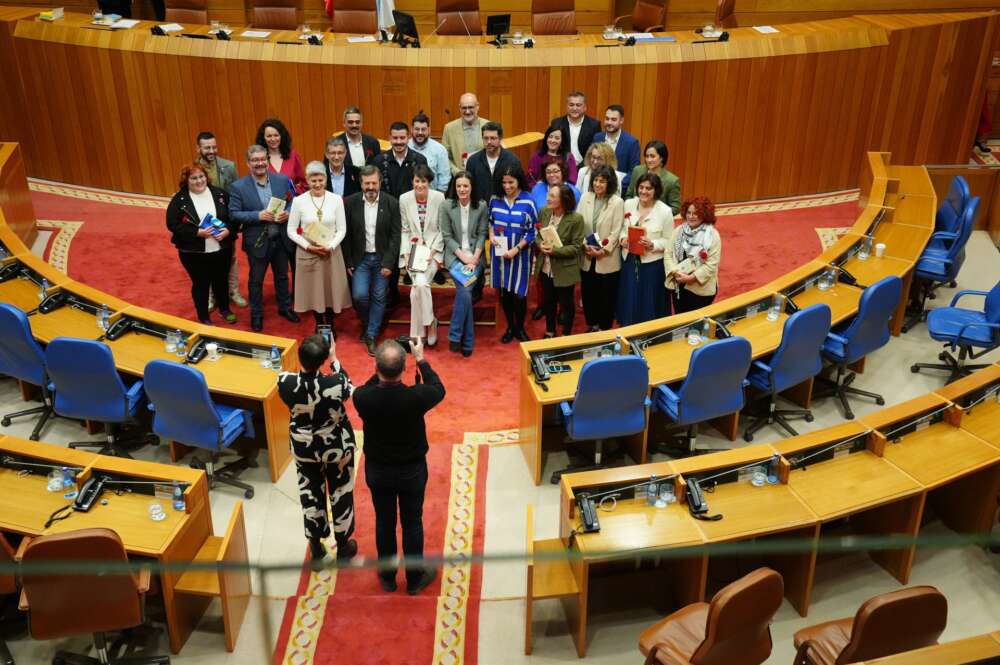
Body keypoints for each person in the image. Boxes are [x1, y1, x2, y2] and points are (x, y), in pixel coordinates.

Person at [353, 337, 445, 595]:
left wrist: (379, 372)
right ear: (405, 368)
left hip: (379, 471)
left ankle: (388, 576)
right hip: (412, 471)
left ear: (376, 367)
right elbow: (438, 388)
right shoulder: (415, 397)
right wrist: (421, 358)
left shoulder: (363, 398)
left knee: (384, 522)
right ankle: (414, 579)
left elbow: (364, 387)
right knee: (412, 523)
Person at [277, 334, 357, 566]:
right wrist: (335, 359)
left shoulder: (284, 382)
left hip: (304, 450)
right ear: (323, 359)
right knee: (341, 492)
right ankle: (343, 547)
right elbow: (348, 385)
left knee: (310, 494)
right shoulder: (335, 383)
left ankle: (315, 549)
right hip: (336, 447)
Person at [229, 144, 301, 332]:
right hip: (257, 242)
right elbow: (234, 214)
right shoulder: (238, 187)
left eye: (262, 159)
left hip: (280, 237)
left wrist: (288, 212)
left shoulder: (282, 179)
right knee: (256, 280)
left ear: (268, 161)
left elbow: (294, 200)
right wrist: (257, 215)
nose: (260, 163)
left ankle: (285, 307)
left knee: (282, 276)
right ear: (248, 163)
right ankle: (256, 314)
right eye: (255, 160)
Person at [166, 163, 239, 325]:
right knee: (201, 284)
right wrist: (197, 233)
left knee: (221, 280)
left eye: (201, 176)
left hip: (221, 248)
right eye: (194, 178)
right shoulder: (179, 199)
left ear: (207, 177)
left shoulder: (220, 194)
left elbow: (234, 217)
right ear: (187, 180)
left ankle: (224, 309)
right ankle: (203, 316)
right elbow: (172, 224)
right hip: (193, 252)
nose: (199, 181)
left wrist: (228, 230)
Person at [287, 161, 352, 335]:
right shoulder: (299, 201)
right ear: (307, 180)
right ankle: (319, 324)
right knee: (314, 291)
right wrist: (308, 247)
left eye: (320, 179)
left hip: (331, 252)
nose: (317, 184)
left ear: (326, 179)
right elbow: (291, 230)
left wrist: (330, 246)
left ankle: (330, 324)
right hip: (308, 253)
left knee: (331, 289)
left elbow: (342, 229)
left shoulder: (336, 199)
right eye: (313, 180)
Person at [343, 165, 401, 356]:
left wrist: (388, 263)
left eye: (374, 183)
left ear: (380, 183)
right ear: (361, 184)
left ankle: (370, 335)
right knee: (359, 296)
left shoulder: (391, 203)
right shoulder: (350, 203)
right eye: (367, 183)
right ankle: (370, 326)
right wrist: (349, 261)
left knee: (379, 295)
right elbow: (347, 235)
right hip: (360, 259)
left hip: (382, 258)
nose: (370, 187)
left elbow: (395, 236)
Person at [195, 131, 247, 310]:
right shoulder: (192, 169)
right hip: (203, 222)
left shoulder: (229, 167)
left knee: (231, 258)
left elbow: (236, 194)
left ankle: (233, 291)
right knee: (206, 259)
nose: (211, 150)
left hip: (224, 222)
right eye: (207, 147)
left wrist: (235, 222)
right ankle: (212, 295)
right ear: (198, 148)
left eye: (214, 147)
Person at [439, 170, 488, 356]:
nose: (462, 189)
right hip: (455, 257)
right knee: (466, 290)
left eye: (465, 185)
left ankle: (455, 336)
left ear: (471, 187)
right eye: (458, 186)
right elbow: (446, 236)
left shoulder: (481, 206)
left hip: (476, 257)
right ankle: (466, 341)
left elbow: (483, 234)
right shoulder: (446, 206)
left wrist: (474, 258)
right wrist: (463, 257)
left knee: (464, 290)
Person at [489, 163, 537, 343]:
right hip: (500, 255)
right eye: (504, 183)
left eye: (511, 182)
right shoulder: (495, 199)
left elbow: (533, 231)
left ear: (519, 181)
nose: (507, 187)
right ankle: (510, 326)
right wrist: (492, 235)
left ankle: (520, 327)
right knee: (505, 293)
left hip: (521, 255)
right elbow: (490, 223)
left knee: (520, 293)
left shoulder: (528, 201)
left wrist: (517, 249)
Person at [617, 172, 671, 325]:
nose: (644, 191)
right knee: (630, 295)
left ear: (656, 191)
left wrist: (653, 244)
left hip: (651, 265)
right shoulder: (628, 204)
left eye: (649, 188)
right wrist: (623, 239)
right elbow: (622, 228)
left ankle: (648, 331)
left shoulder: (665, 211)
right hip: (629, 260)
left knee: (648, 299)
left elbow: (668, 241)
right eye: (641, 187)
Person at [399, 165, 445, 345]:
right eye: (417, 181)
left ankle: (418, 332)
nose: (420, 185)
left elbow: (443, 230)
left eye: (423, 181)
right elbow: (404, 230)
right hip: (413, 252)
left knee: (418, 287)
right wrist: (404, 254)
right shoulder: (404, 199)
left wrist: (433, 252)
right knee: (419, 284)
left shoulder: (439, 197)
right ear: (412, 181)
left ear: (429, 182)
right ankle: (431, 322)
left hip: (433, 252)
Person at [578, 165, 625, 332]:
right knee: (589, 293)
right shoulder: (585, 198)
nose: (598, 184)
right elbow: (579, 226)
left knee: (606, 296)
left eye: (602, 181)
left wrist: (602, 250)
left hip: (607, 258)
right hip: (587, 255)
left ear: (609, 183)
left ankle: (604, 328)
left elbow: (617, 230)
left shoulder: (617, 202)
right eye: (596, 180)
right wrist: (585, 246)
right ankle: (592, 324)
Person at [534, 184, 583, 337]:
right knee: (549, 302)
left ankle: (566, 335)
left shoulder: (576, 219)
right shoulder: (544, 212)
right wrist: (539, 244)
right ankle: (550, 331)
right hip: (545, 267)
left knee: (566, 304)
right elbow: (538, 236)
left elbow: (576, 247)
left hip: (564, 269)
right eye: (549, 194)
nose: (548, 198)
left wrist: (554, 251)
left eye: (552, 196)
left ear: (564, 200)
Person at [665, 196, 721, 313]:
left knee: (696, 324)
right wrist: (674, 271)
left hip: (700, 289)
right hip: (679, 285)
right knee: (681, 320)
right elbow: (668, 254)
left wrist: (691, 278)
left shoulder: (712, 235)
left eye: (696, 213)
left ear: (704, 215)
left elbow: (711, 265)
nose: (691, 216)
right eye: (689, 213)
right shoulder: (679, 231)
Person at [466, 121, 521, 206]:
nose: (489, 142)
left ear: (500, 139)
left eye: (493, 138)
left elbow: (518, 188)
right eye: (485, 138)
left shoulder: (512, 161)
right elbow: (468, 187)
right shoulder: (473, 161)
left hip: (503, 210)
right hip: (479, 210)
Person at [372, 121, 428, 199]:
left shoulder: (420, 160)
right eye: (395, 138)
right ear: (390, 138)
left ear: (408, 138)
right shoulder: (378, 161)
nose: (399, 142)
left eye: (402, 138)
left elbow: (423, 188)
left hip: (412, 207)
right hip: (387, 208)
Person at [626, 140, 681, 215]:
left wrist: (653, 213)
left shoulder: (672, 180)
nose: (649, 160)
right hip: (635, 215)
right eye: (647, 156)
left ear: (661, 158)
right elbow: (629, 195)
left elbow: (675, 208)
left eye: (652, 156)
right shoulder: (637, 171)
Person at [592, 105, 642, 189]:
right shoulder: (597, 137)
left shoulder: (631, 143)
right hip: (597, 187)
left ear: (621, 120)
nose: (609, 122)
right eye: (607, 119)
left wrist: (617, 185)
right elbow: (592, 161)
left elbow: (634, 171)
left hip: (619, 189)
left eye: (613, 119)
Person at [441, 92, 491, 173]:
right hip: (459, 179)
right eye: (464, 108)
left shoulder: (489, 126)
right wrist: (457, 172)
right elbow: (444, 157)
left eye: (470, 107)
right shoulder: (449, 128)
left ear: (477, 106)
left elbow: (495, 153)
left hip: (484, 176)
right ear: (459, 108)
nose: (467, 111)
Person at [257, 118, 307, 195]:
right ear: (263, 138)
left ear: (282, 136)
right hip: (268, 205)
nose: (273, 139)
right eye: (269, 136)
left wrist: (293, 192)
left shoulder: (293, 156)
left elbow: (304, 183)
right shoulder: (258, 159)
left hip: (292, 203)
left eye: (276, 135)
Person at [549, 91, 600, 165]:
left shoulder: (594, 125)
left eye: (578, 105)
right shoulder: (556, 123)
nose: (574, 108)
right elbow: (553, 148)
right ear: (567, 106)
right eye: (571, 105)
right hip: (562, 166)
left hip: (586, 167)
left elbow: (596, 150)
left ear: (585, 107)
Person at [408, 112, 451, 192]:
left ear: (429, 130)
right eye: (417, 129)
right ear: (411, 130)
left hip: (432, 197)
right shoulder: (406, 147)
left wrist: (437, 199)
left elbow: (444, 179)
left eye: (423, 129)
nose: (420, 133)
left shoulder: (440, 150)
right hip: (408, 198)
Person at [342, 106, 381, 172]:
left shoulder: (372, 142)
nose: (354, 125)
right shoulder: (336, 143)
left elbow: (379, 167)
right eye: (350, 122)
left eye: (357, 122)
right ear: (344, 124)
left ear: (362, 123)